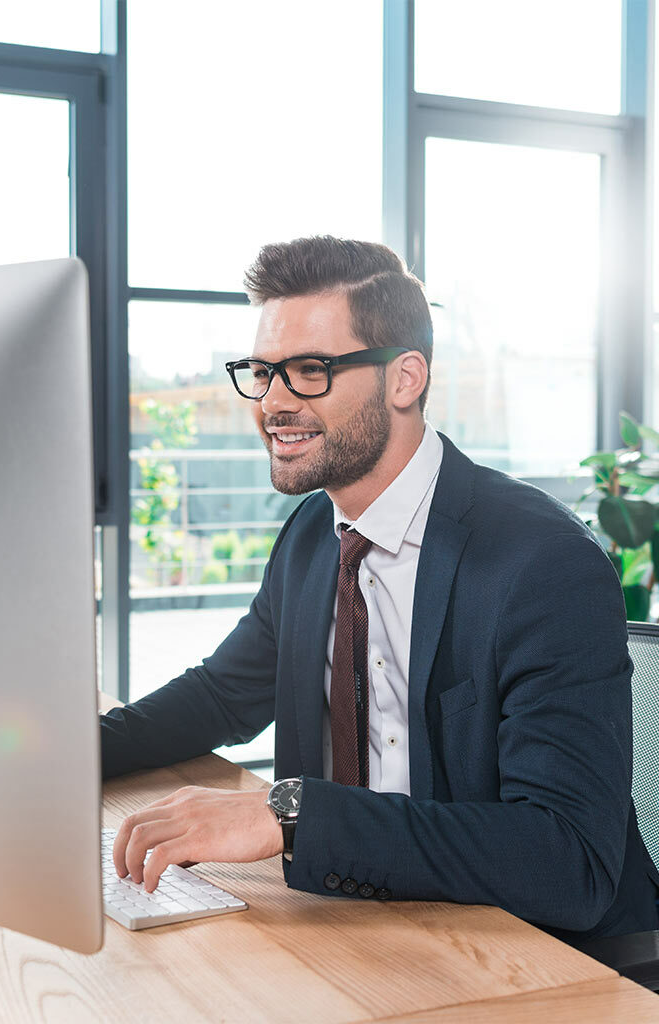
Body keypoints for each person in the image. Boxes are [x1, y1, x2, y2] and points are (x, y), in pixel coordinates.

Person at [100, 235, 659, 942]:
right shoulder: (312, 533)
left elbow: (566, 860)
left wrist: (289, 813)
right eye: (262, 372)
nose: (273, 402)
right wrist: (62, 758)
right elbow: (220, 695)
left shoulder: (541, 564)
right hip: (362, 924)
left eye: (309, 370)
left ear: (405, 379)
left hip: (541, 952)